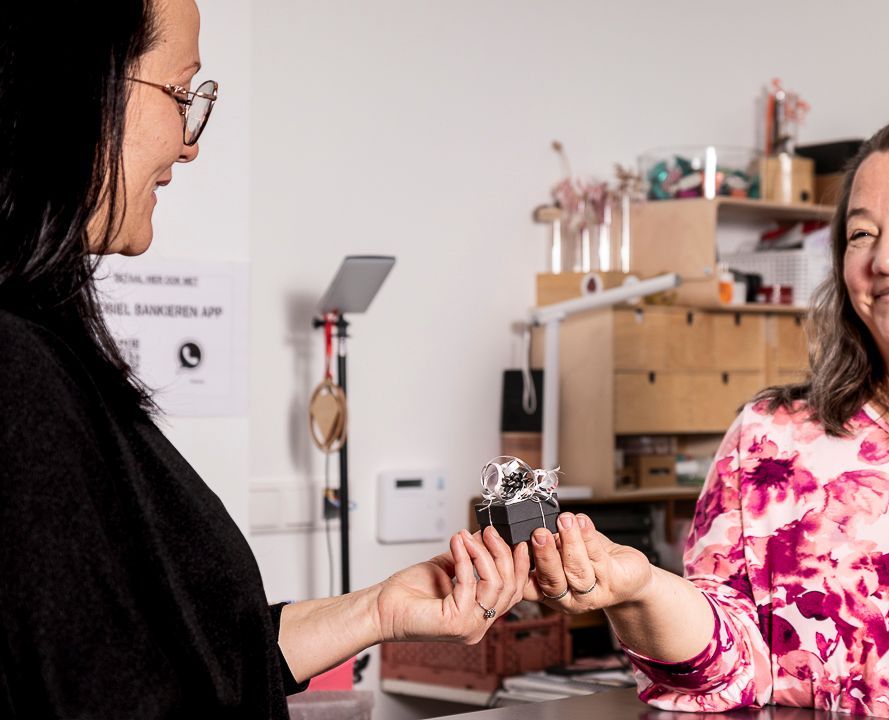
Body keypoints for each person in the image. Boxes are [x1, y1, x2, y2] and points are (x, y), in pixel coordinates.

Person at [0, 1, 528, 716]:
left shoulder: (51, 356)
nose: (190, 145)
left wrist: (378, 611)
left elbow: (189, 658)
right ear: (81, 89)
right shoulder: (19, 377)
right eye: (182, 94)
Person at [524, 114, 889, 719]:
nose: (886, 257)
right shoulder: (772, 439)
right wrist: (642, 590)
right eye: (861, 235)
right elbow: (726, 670)